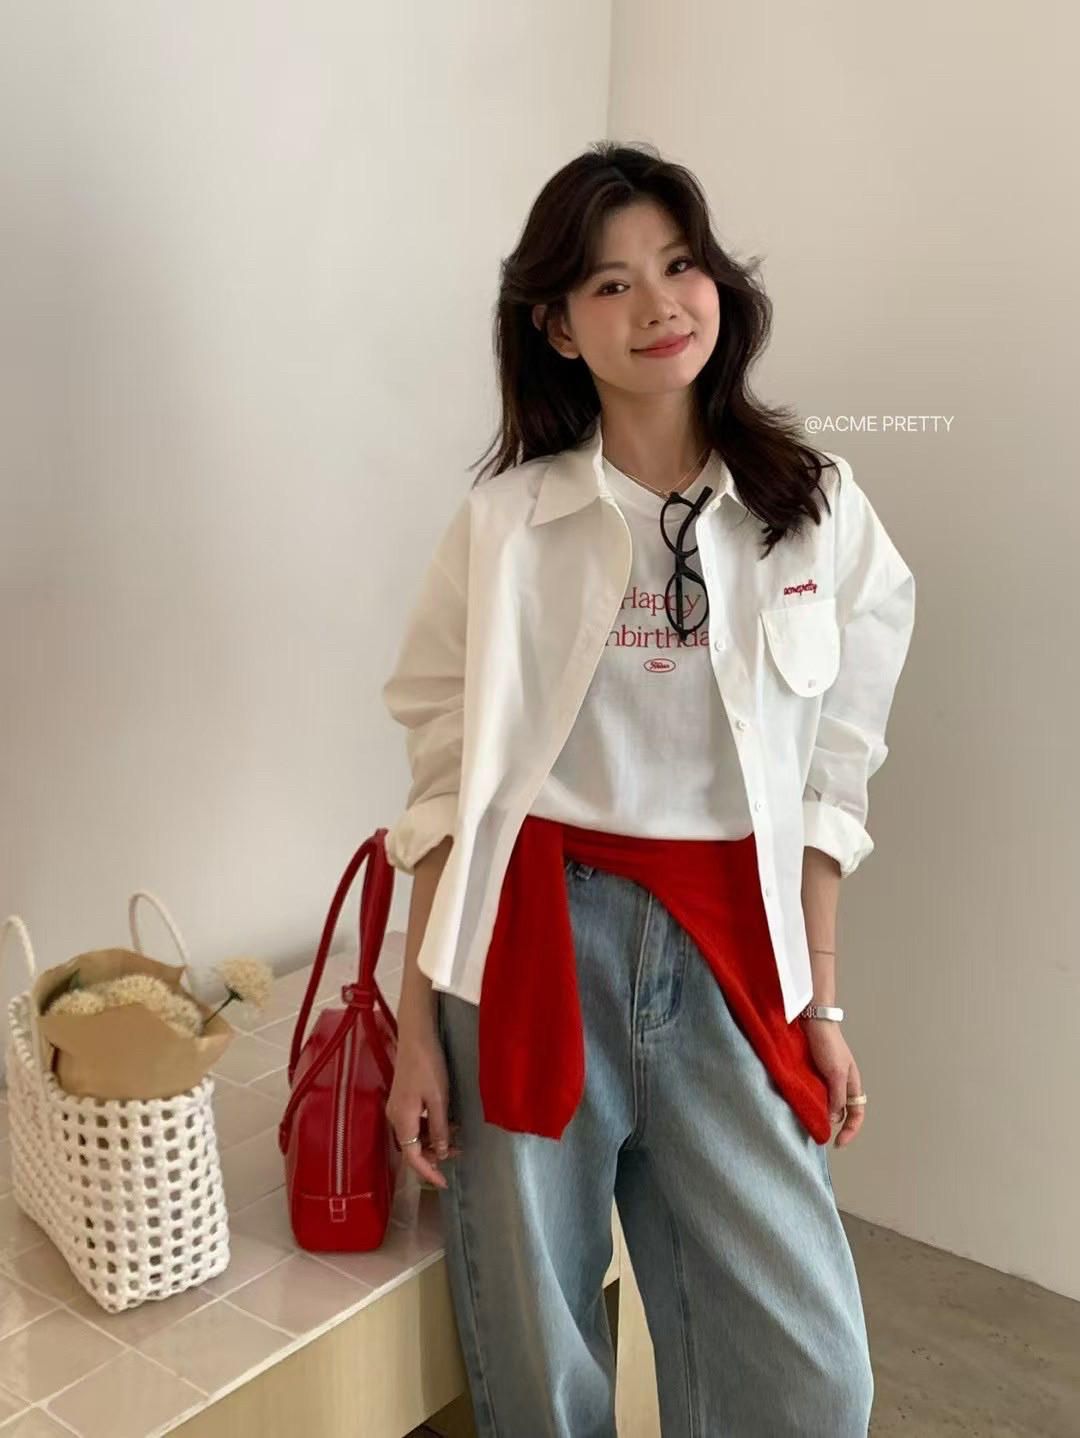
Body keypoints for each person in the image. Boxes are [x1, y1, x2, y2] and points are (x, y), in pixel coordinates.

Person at [379, 140, 916, 1437]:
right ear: (559, 326)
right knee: (543, 1357)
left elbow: (833, 778)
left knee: (811, 1381)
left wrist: (823, 1001)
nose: (659, 304)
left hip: (733, 946)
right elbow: (447, 793)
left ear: (718, 282)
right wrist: (414, 1029)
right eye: (611, 284)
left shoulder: (816, 510)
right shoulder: (507, 525)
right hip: (528, 942)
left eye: (679, 265)